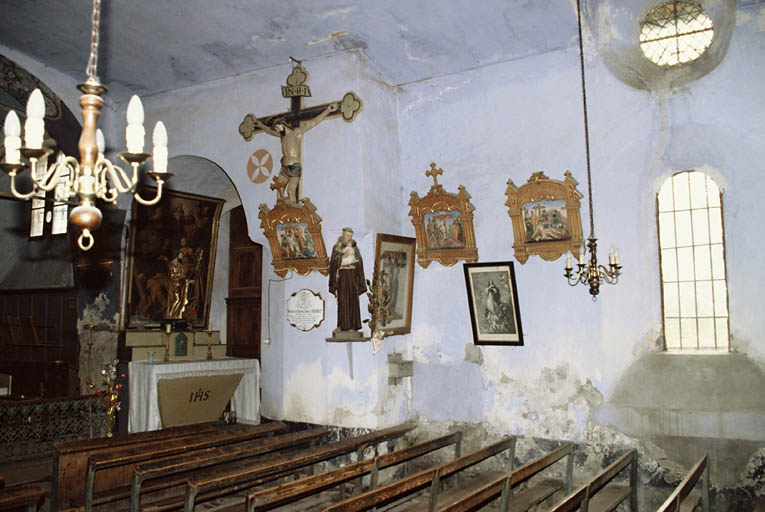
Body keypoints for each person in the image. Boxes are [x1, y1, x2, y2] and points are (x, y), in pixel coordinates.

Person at [253, 102, 338, 206]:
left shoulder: (296, 133)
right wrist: (261, 125)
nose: (277, 130)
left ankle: (294, 212)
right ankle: (280, 212)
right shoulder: (282, 137)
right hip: (284, 167)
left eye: (278, 127)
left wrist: (328, 110)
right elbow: (269, 131)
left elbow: (312, 123)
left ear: (282, 125)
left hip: (294, 167)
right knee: (279, 191)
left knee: (290, 192)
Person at [329, 227, 367, 334]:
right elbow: (333, 263)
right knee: (342, 301)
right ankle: (341, 326)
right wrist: (342, 257)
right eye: (346, 235)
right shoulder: (336, 247)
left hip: (352, 276)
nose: (348, 238)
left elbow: (359, 262)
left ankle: (353, 326)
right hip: (342, 276)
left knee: (353, 300)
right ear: (342, 235)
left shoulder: (354, 248)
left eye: (350, 236)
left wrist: (354, 264)